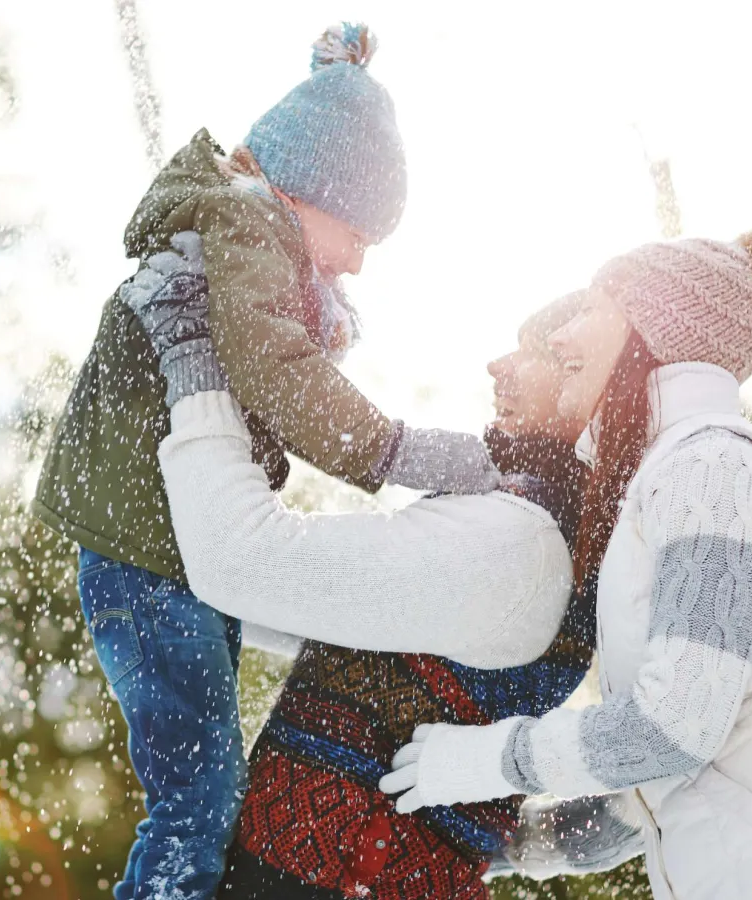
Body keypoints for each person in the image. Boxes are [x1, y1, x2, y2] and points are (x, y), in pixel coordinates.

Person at [31, 23, 500, 900]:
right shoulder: (246, 222)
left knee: (207, 793)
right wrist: (401, 450)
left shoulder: (250, 230)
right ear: (307, 190)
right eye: (359, 234)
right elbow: (273, 367)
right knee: (196, 800)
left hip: (160, 559)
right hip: (146, 564)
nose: (359, 260)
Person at [380, 232, 752, 900]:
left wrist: (483, 763)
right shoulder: (672, 479)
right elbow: (649, 784)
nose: (563, 336)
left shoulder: (713, 466)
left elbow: (674, 727)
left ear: (647, 333)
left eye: (589, 311)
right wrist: (489, 839)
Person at [119, 237, 613, 898]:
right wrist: (510, 840)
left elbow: (244, 564)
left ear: (593, 382)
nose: (498, 365)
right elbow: (310, 611)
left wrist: (191, 358)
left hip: (334, 878)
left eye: (537, 351)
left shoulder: (518, 542)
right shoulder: (542, 529)